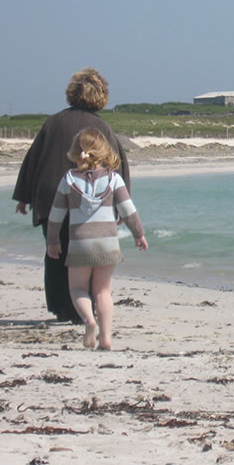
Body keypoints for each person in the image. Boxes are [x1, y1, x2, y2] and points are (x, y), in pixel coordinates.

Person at [13, 68, 130, 323]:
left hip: (50, 196)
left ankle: (61, 308)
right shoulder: (101, 127)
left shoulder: (52, 123)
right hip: (88, 205)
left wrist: (24, 196)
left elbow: (33, 161)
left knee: (55, 252)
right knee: (85, 255)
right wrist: (121, 206)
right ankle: (81, 311)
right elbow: (117, 167)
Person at [46, 127, 147, 350]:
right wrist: (138, 234)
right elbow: (129, 211)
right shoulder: (114, 179)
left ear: (76, 152)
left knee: (78, 289)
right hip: (107, 243)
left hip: (80, 244)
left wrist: (52, 240)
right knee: (103, 291)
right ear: (104, 152)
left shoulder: (69, 179)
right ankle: (106, 337)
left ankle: (89, 322)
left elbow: (56, 215)